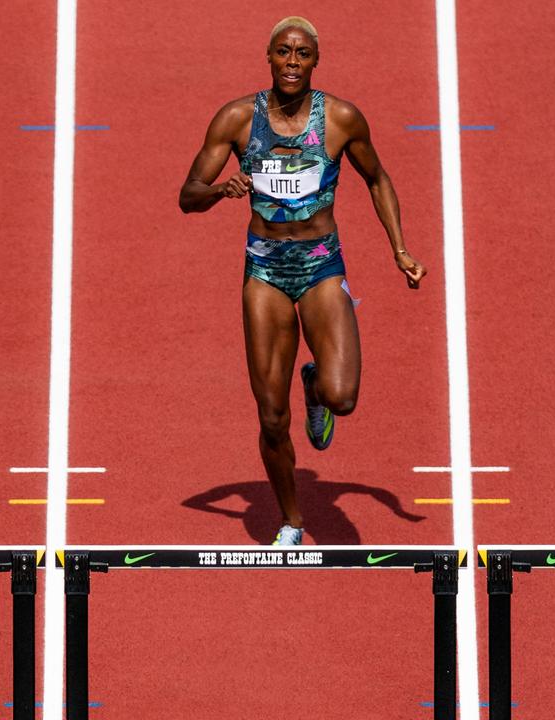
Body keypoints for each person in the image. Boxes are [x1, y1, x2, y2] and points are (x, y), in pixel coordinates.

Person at [178, 17, 426, 546]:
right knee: (271, 417)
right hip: (265, 270)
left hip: (320, 265)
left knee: (344, 397)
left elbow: (378, 178)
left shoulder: (340, 118)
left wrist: (399, 249)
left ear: (316, 61)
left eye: (303, 54)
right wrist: (223, 189)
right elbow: (187, 195)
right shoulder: (237, 119)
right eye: (283, 52)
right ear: (267, 56)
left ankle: (314, 384)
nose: (292, 62)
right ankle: (291, 521)